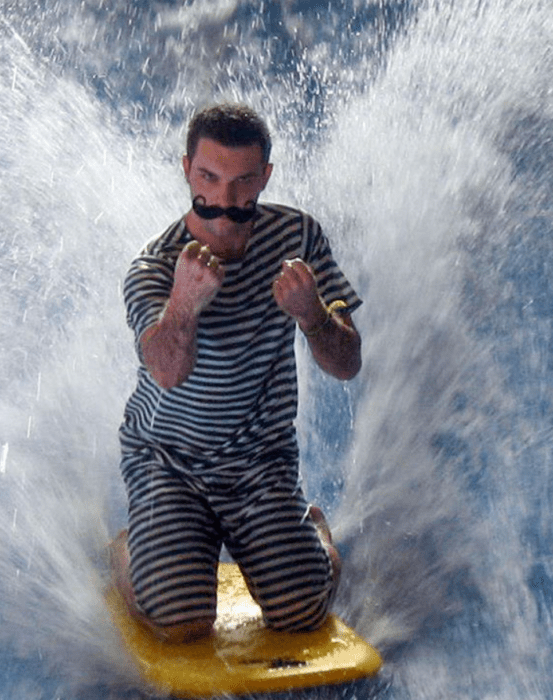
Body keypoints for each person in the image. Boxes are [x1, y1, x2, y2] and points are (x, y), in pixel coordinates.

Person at [110, 103, 362, 643]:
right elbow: (167, 371)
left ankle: (313, 536)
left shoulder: (298, 237)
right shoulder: (153, 266)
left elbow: (347, 365)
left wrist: (313, 314)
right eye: (209, 178)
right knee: (180, 621)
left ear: (265, 177)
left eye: (242, 182)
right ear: (186, 170)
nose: (225, 202)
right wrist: (183, 304)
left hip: (259, 461)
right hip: (168, 461)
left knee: (301, 613)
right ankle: (131, 549)